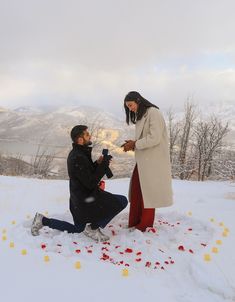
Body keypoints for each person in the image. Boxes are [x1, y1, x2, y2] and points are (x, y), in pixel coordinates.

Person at [31, 125, 128, 242]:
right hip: (87, 199)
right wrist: (103, 166)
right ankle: (93, 228)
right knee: (122, 201)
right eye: (87, 134)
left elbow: (86, 173)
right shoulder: (78, 157)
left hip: (78, 200)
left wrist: (98, 163)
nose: (90, 136)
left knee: (78, 229)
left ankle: (42, 220)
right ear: (80, 139)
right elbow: (91, 182)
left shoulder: (79, 153)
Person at [122, 91, 173, 232]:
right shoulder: (141, 115)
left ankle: (144, 224)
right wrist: (133, 143)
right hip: (144, 161)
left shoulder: (153, 112)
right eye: (128, 107)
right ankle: (135, 222)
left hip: (153, 162)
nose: (130, 108)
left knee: (147, 193)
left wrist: (135, 144)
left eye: (131, 105)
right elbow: (144, 139)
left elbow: (154, 138)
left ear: (138, 101)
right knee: (137, 190)